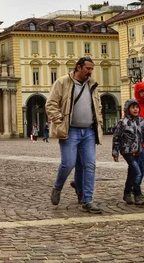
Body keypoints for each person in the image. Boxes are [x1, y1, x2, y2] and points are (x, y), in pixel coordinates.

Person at [46, 57, 103, 214]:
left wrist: (99, 122)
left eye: (92, 69)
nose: (90, 72)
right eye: (88, 69)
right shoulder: (63, 82)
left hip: (89, 131)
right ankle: (58, 187)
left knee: (89, 165)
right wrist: (59, 120)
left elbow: (98, 105)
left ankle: (87, 200)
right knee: (68, 163)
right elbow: (51, 103)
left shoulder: (92, 84)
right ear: (78, 67)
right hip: (70, 131)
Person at [112, 99, 144, 206]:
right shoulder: (123, 122)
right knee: (138, 172)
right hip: (127, 151)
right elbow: (116, 138)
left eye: (137, 107)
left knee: (132, 172)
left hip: (138, 151)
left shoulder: (141, 121)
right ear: (127, 109)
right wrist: (115, 152)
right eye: (132, 107)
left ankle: (127, 193)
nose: (135, 109)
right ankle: (137, 194)